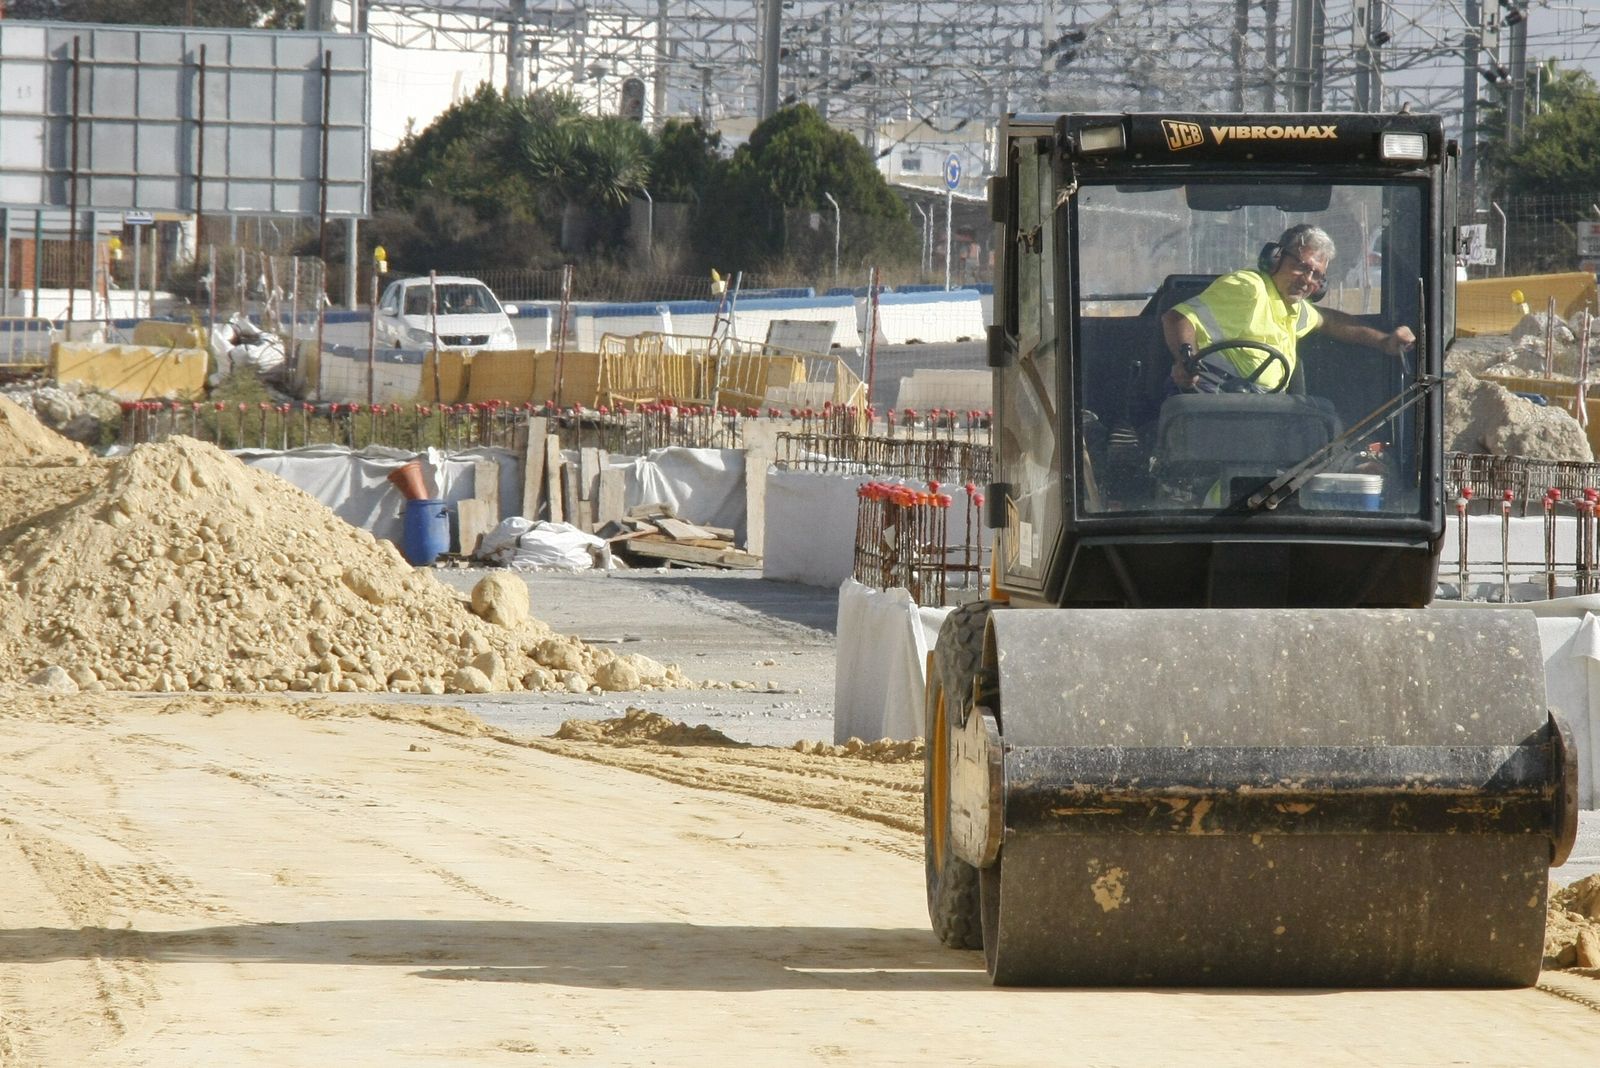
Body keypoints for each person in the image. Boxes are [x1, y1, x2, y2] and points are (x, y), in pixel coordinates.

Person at [1161, 223, 1414, 393]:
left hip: (1261, 412)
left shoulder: (1294, 309)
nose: (1308, 280)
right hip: (1215, 407)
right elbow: (1177, 317)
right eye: (1303, 267)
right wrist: (1187, 362)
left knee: (1322, 422)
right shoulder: (1249, 289)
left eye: (1317, 276)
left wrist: (1385, 341)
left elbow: (1329, 321)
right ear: (1275, 258)